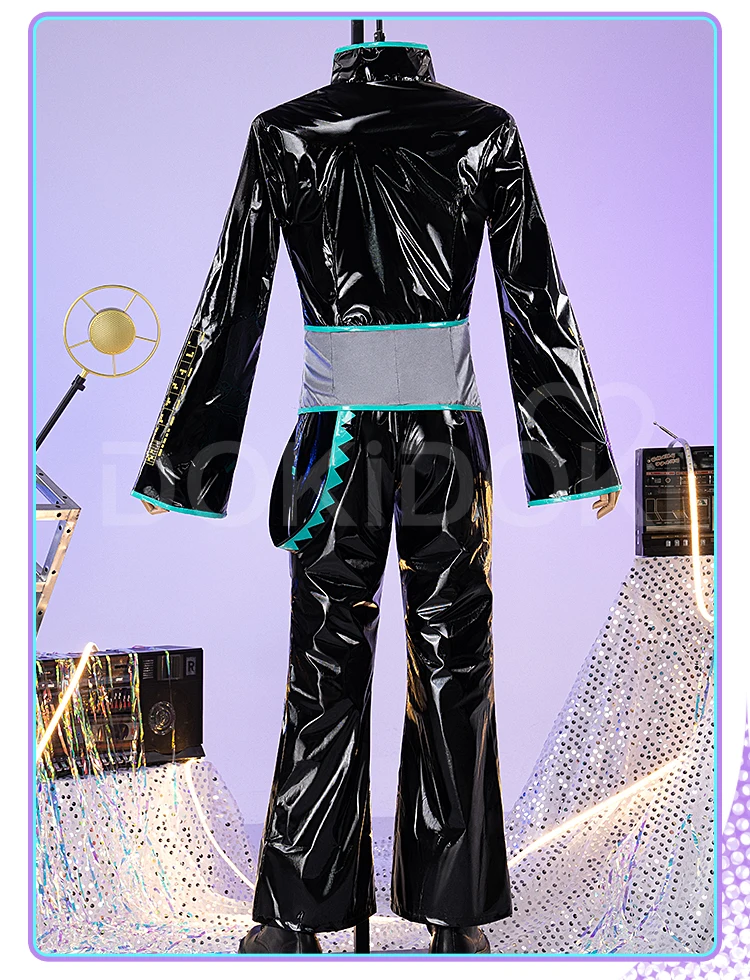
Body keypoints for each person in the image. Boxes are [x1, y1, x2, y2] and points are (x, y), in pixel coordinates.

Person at [134, 39, 620, 954]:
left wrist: (182, 461)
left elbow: (235, 292)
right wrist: (576, 453)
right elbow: (533, 289)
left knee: (324, 660)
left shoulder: (286, 133)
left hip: (338, 443)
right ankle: (455, 915)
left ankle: (296, 916)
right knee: (455, 661)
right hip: (446, 443)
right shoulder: (481, 128)